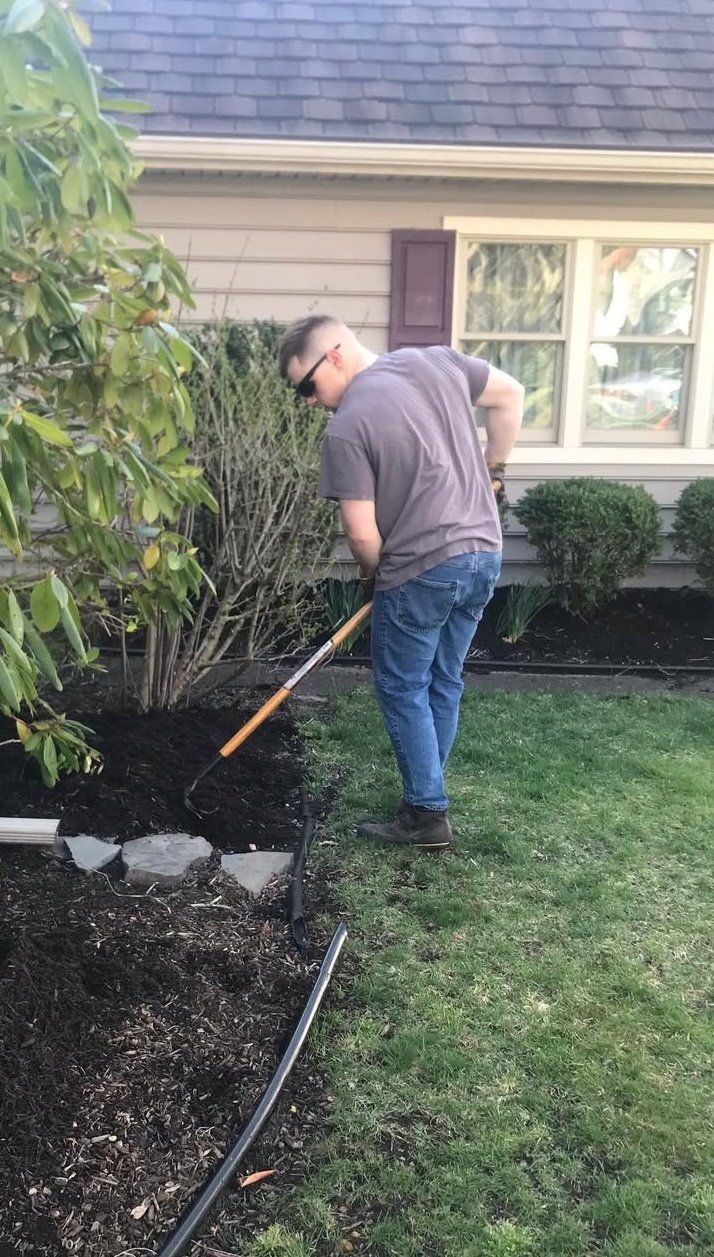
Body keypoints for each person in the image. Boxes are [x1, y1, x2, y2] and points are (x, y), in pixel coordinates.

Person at [278, 315, 524, 850]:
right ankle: (426, 794)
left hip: (422, 566)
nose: (308, 401)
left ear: (335, 355)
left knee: (402, 686)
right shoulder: (437, 360)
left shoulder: (346, 428)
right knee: (444, 679)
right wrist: (495, 471)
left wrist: (374, 579)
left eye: (307, 386)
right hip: (484, 554)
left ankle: (425, 813)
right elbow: (511, 396)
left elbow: (362, 535)